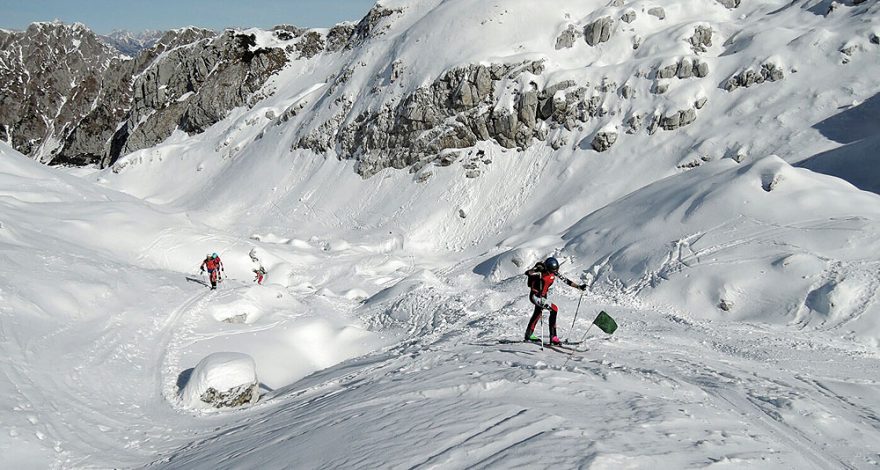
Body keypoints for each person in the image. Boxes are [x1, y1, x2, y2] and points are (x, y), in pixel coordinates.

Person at [524, 256, 586, 345]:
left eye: (556, 270)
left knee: (537, 313)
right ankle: (553, 337)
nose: (555, 272)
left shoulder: (554, 272)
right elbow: (528, 273)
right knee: (554, 309)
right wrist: (537, 268)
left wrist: (579, 287)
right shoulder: (540, 272)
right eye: (553, 271)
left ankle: (528, 335)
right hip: (536, 296)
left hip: (543, 297)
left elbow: (566, 281)